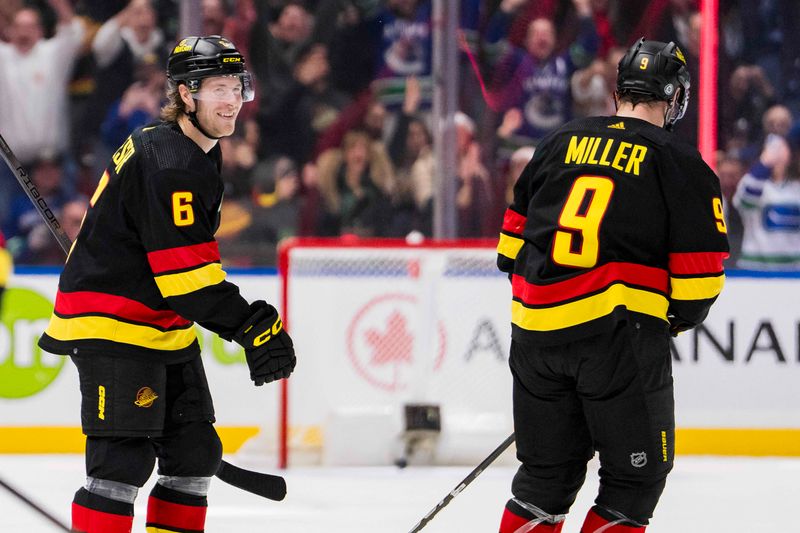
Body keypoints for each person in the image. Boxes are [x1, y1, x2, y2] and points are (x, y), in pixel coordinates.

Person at [37, 36, 296, 533]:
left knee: (193, 454)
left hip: (158, 323)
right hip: (114, 324)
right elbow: (188, 281)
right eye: (217, 88)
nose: (231, 99)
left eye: (237, 86)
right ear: (186, 94)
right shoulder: (172, 161)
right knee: (120, 468)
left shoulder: (189, 149)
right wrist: (252, 327)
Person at [496, 38, 729, 532]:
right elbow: (699, 279)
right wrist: (668, 318)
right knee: (633, 483)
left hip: (534, 335)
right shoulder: (679, 162)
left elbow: (509, 251)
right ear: (674, 97)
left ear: (620, 89)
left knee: (544, 478)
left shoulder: (558, 141)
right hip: (617, 341)